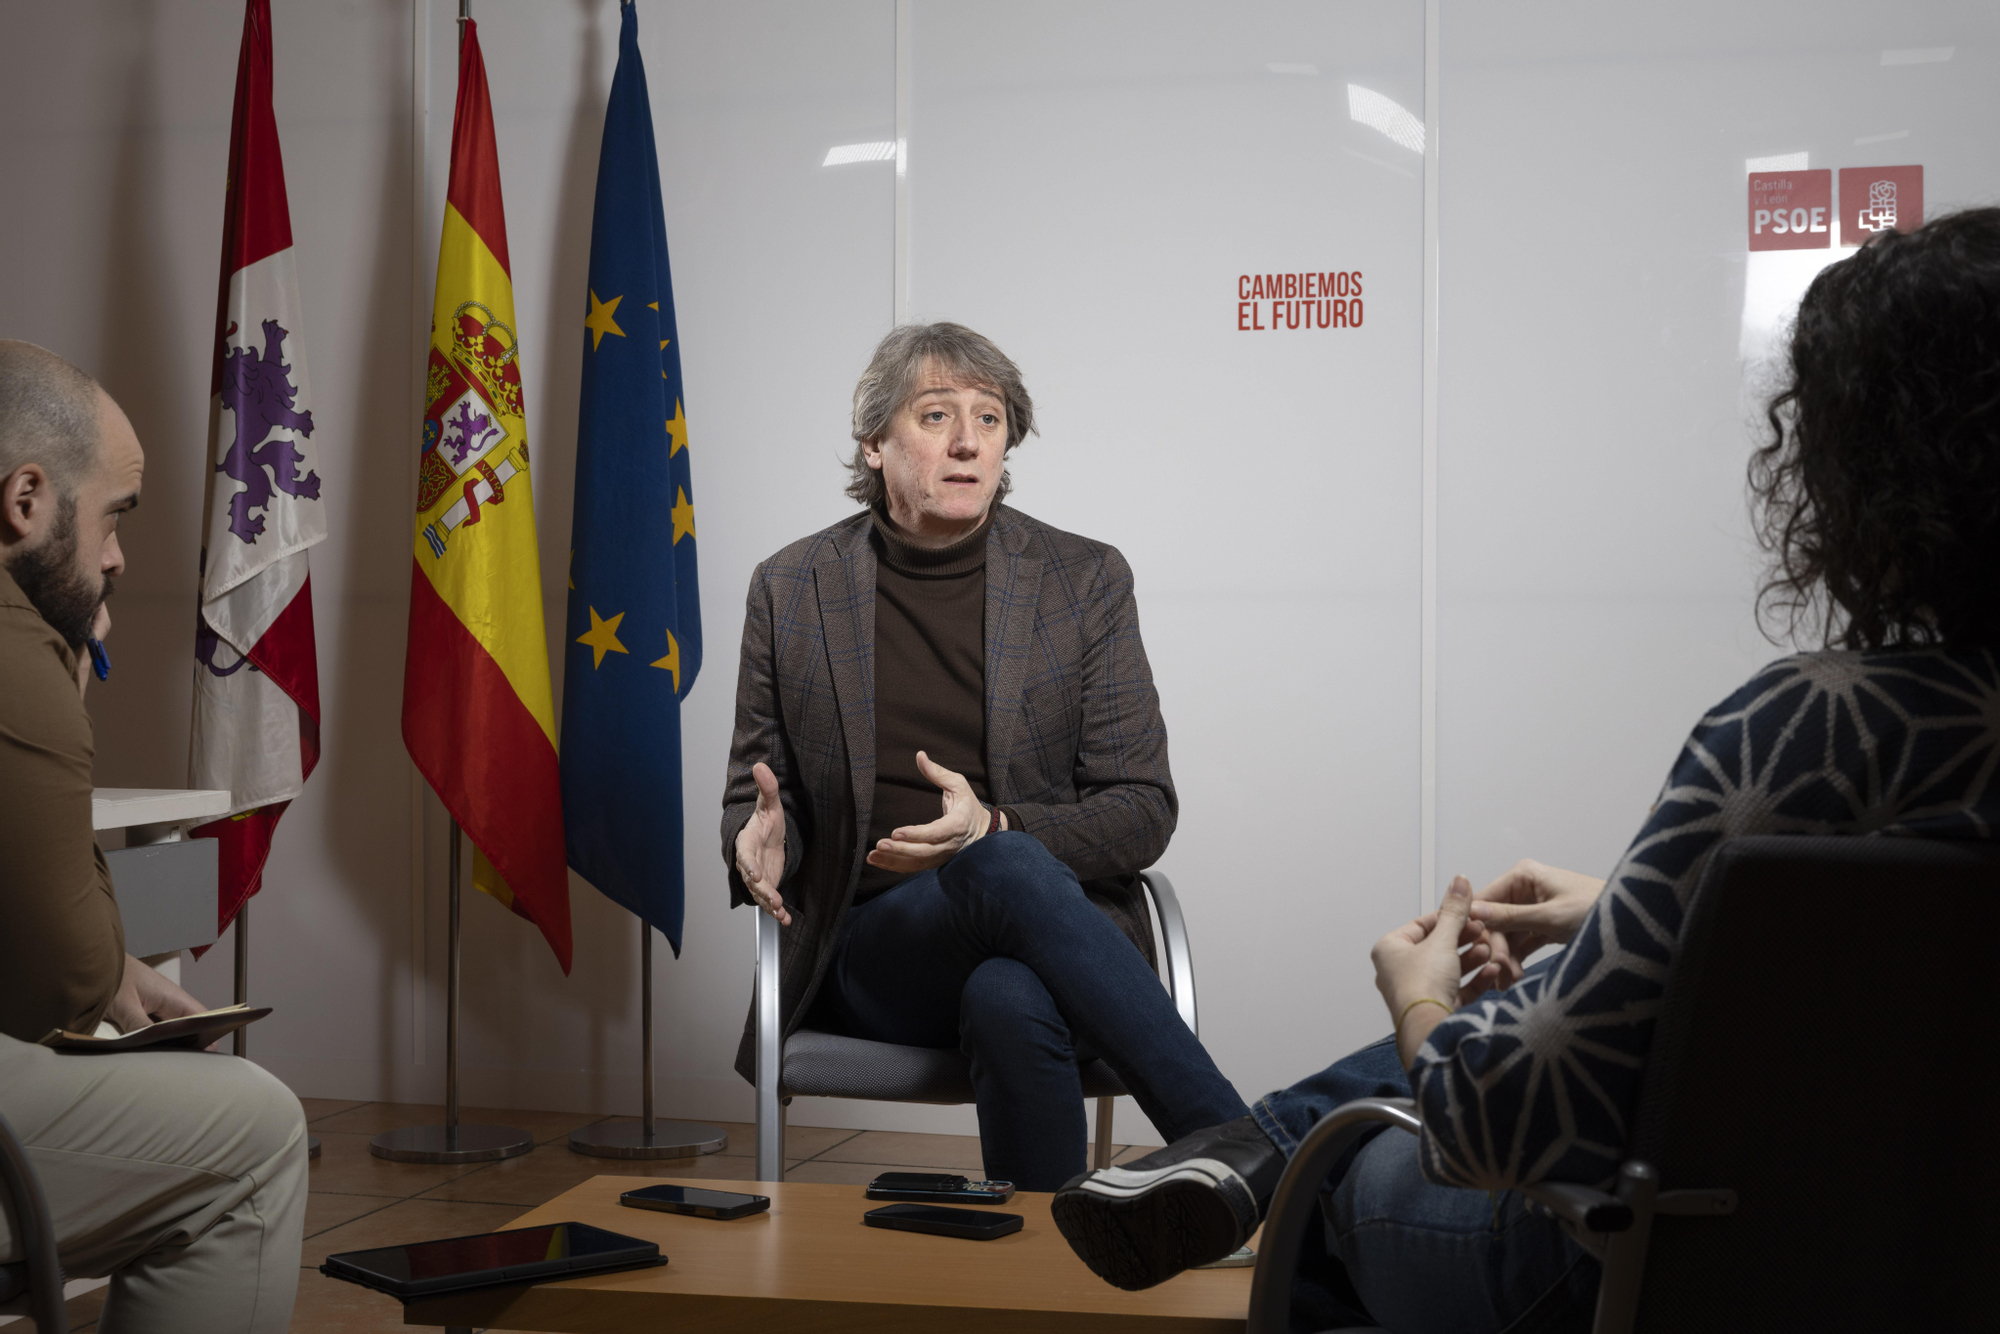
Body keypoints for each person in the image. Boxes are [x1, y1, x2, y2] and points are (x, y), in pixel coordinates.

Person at [1053, 209, 2000, 1329]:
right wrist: (1622, 913)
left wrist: (1422, 1001)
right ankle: (1242, 1145)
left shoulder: (1811, 729)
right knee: (1571, 976)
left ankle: (1262, 1156)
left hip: (1688, 1264)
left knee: (1341, 1182)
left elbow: (1492, 1124)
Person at [722, 322, 1247, 1190]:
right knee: (1001, 864)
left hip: (1057, 950)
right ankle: (1237, 1146)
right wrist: (759, 840)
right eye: (935, 415)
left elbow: (1142, 809)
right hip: (880, 949)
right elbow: (756, 793)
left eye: (990, 418)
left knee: (1008, 993)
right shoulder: (792, 587)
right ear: (875, 443)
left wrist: (995, 827)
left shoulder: (1083, 580)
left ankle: (1048, 1281)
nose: (968, 441)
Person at [0, 340, 307, 1334]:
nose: (118, 558)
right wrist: (64, 684)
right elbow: (67, 981)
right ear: (27, 498)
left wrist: (119, 967)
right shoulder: (14, 648)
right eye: (113, 517)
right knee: (255, 1133)